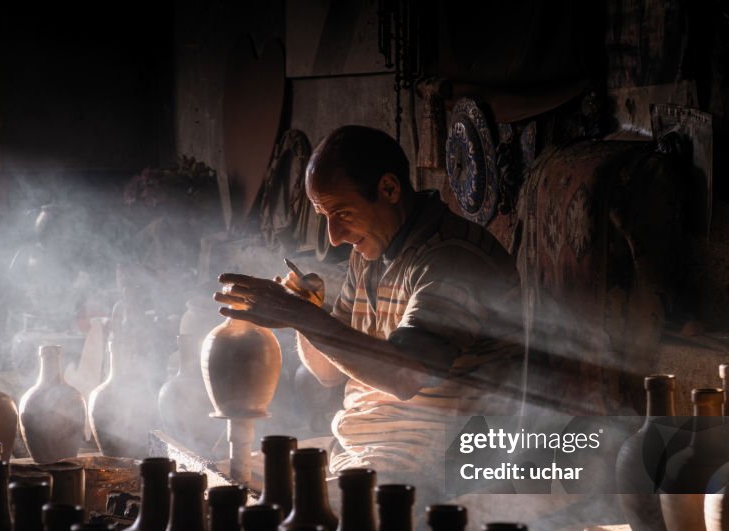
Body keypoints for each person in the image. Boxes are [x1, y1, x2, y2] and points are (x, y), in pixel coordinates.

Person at [215, 125, 521, 497]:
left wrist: (303, 317)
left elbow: (405, 377)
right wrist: (305, 315)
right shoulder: (370, 254)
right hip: (367, 449)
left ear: (389, 189)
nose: (334, 236)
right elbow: (329, 373)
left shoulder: (452, 260)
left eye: (342, 212)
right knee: (226, 479)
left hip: (440, 463)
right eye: (322, 215)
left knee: (268, 513)